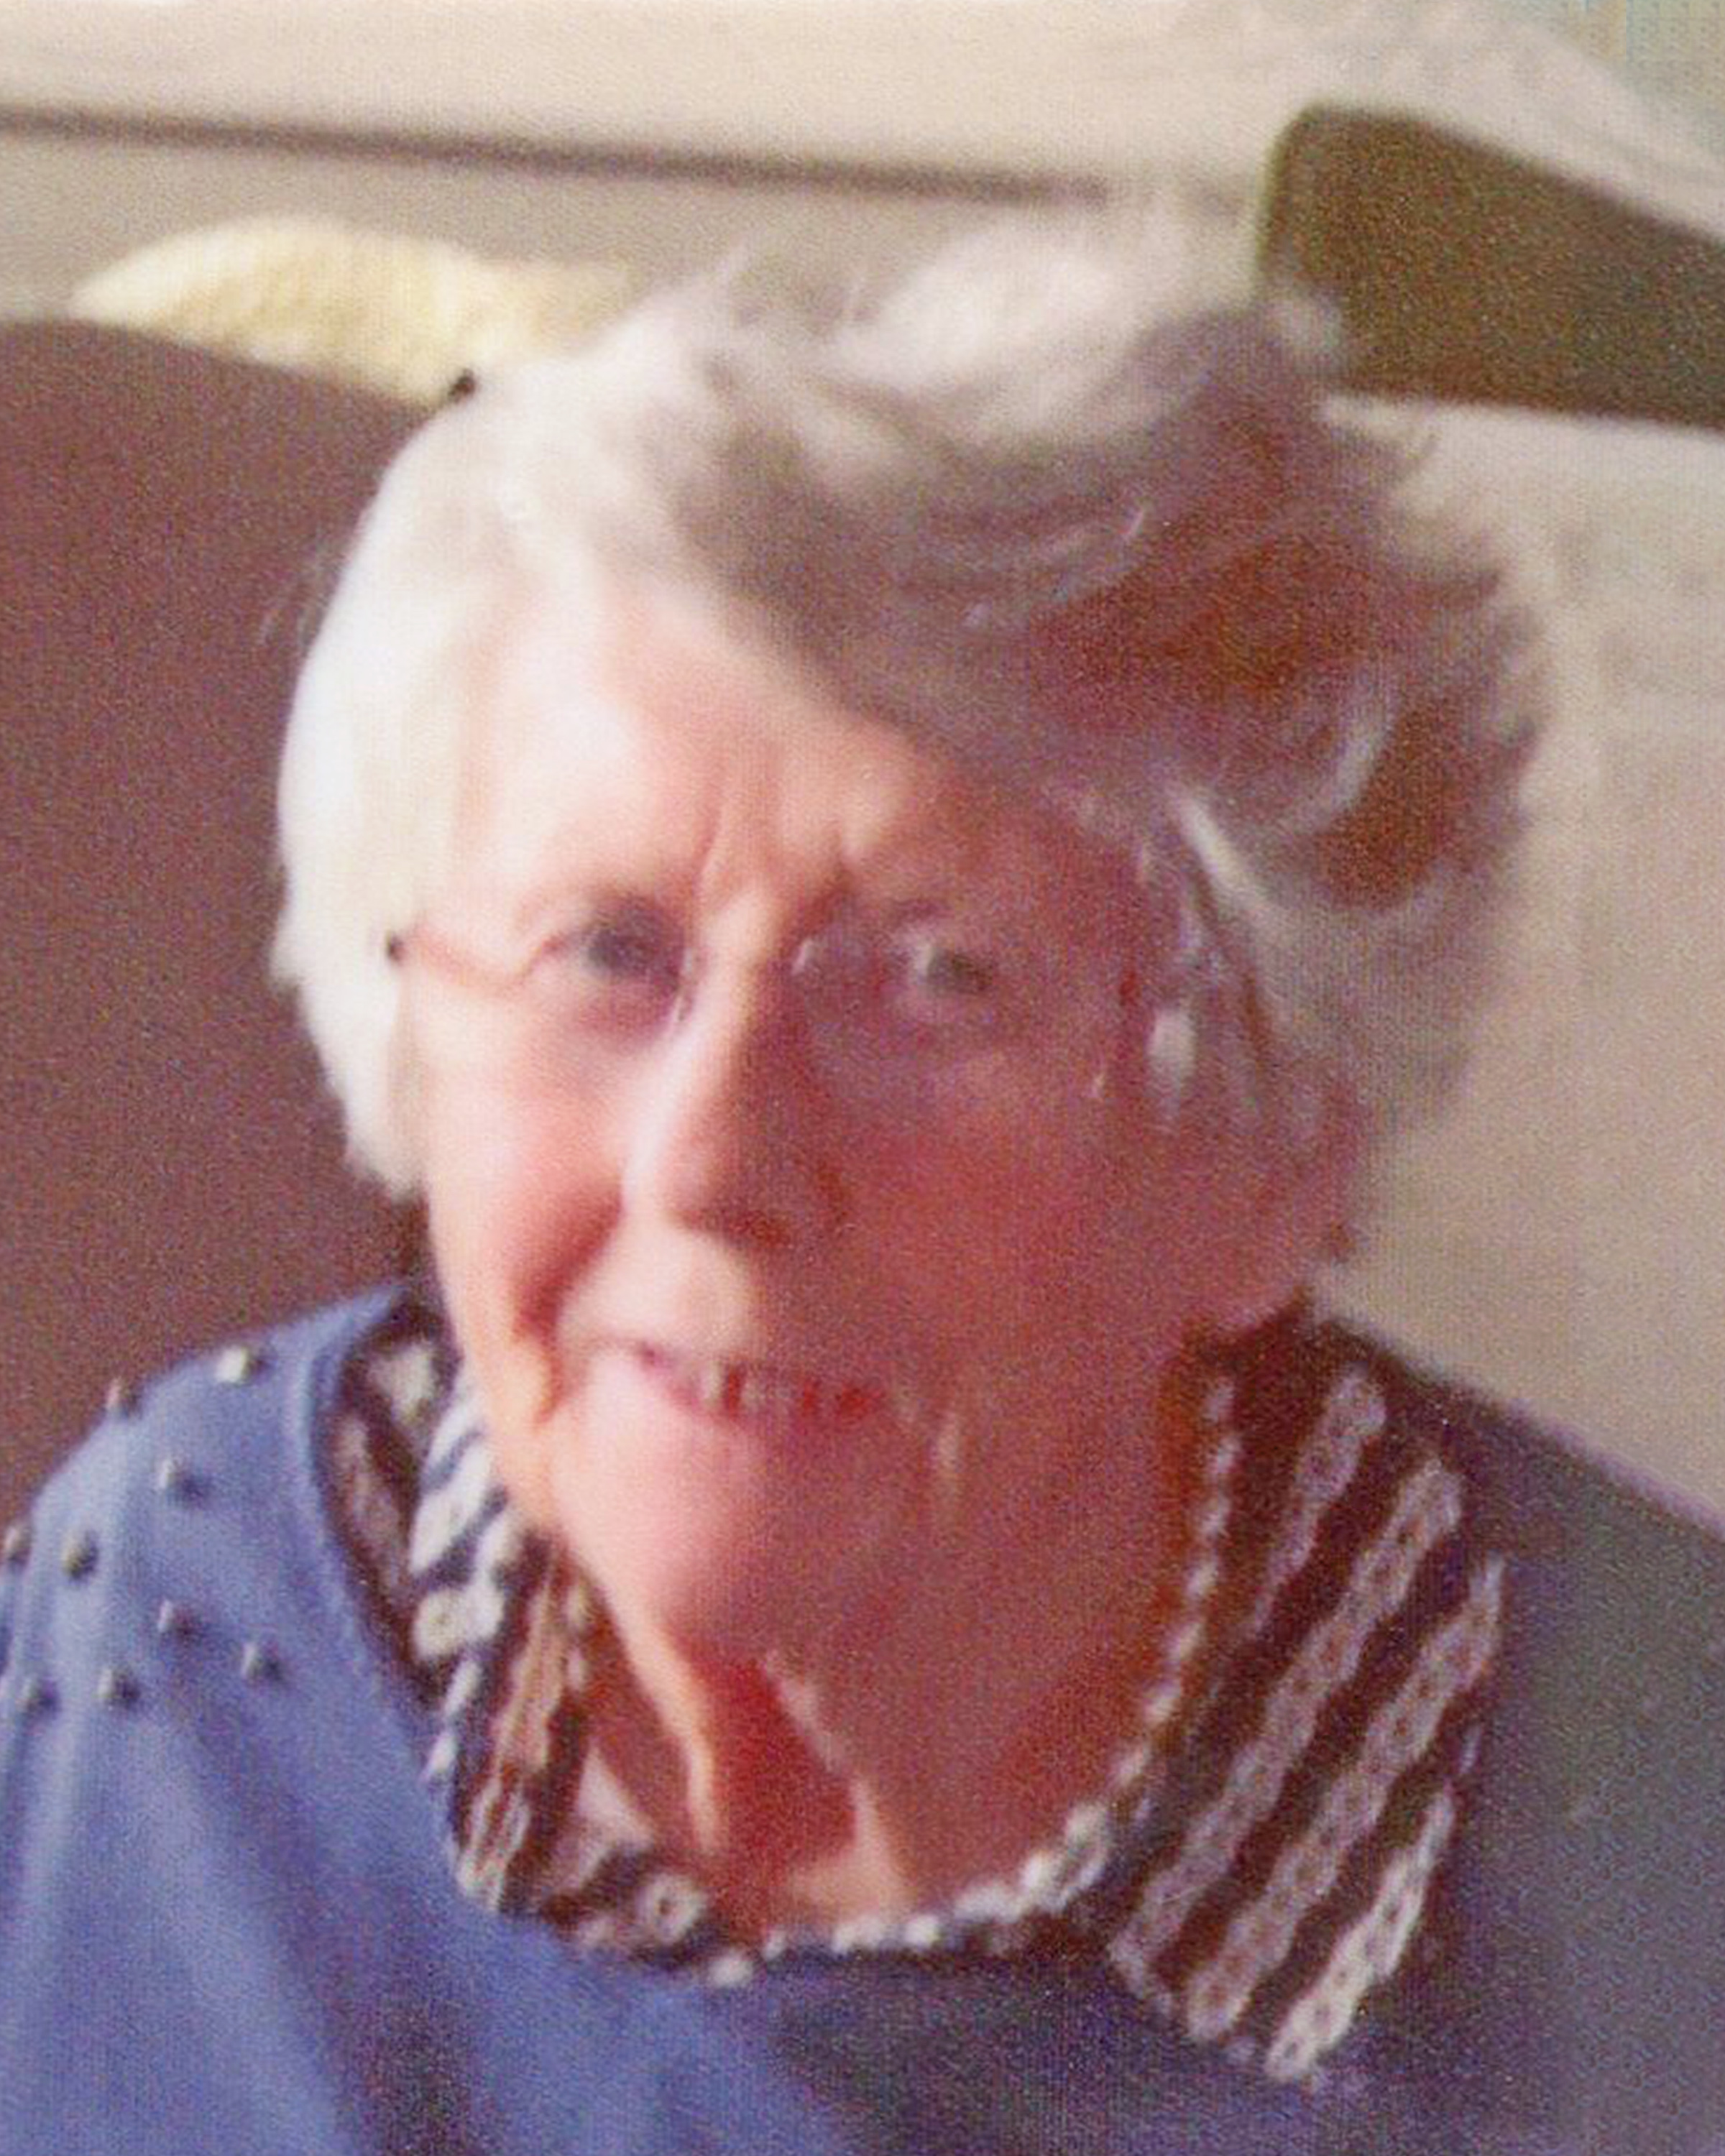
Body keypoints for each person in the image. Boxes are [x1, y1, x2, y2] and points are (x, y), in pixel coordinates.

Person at [3, 211, 1724, 2156]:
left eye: (937, 983)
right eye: (607, 953)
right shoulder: (183, 1620)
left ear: (1273, 1146)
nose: (713, 1160)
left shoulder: (1655, 1850)